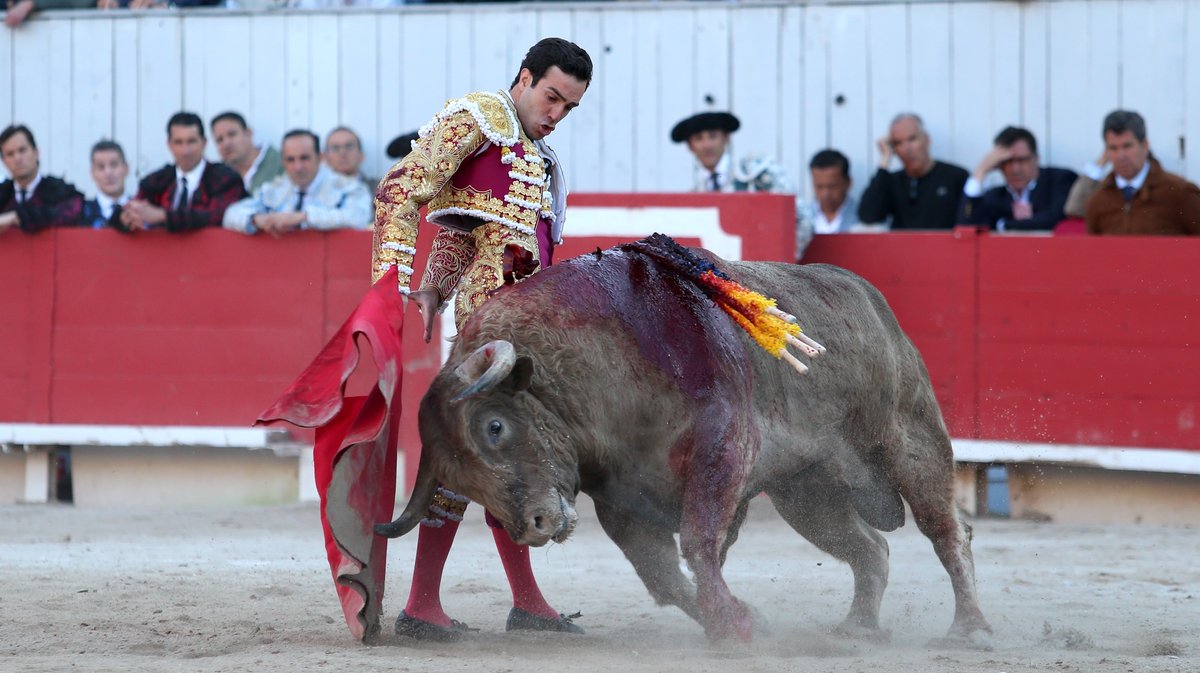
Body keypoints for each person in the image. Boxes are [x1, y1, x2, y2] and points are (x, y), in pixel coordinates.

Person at [258, 37, 593, 643]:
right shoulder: (477, 118)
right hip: (488, 334)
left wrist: (435, 283)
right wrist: (389, 282)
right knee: (482, 458)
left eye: (569, 107)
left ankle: (504, 603)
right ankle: (433, 604)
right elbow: (400, 188)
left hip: (518, 333)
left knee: (500, 460)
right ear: (524, 77)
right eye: (552, 97)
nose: (557, 114)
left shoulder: (535, 154)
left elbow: (467, 229)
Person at [670, 109, 808, 255]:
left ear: (726, 138)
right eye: (699, 139)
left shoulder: (757, 172)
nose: (707, 145)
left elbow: (802, 216)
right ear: (690, 146)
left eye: (713, 136)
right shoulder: (697, 193)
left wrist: (781, 261)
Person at [222, 129, 371, 234]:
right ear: (283, 162)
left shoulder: (347, 187)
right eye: (290, 160)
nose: (298, 167)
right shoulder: (275, 189)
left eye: (304, 158)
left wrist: (302, 217)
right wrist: (256, 219)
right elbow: (230, 214)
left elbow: (358, 217)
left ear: (319, 158)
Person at [118, 112, 247, 233]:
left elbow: (217, 215)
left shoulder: (225, 178)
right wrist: (126, 217)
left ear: (204, 143)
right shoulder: (156, 181)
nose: (185, 151)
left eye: (191, 141)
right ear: (169, 145)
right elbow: (127, 210)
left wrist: (163, 216)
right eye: (178, 142)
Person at [1085, 110, 1200, 236]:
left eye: (1127, 146)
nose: (1120, 156)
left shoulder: (1179, 192)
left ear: (1145, 145)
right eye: (1113, 148)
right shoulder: (1098, 200)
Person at [858, 113, 968, 230]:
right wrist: (885, 160)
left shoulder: (955, 177)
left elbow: (971, 221)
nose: (906, 149)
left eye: (912, 139)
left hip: (944, 242)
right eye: (898, 143)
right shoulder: (891, 181)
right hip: (901, 242)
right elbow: (867, 216)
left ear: (927, 139)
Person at [958, 126, 1077, 232]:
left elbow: (1055, 220)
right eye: (1008, 161)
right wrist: (980, 171)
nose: (1016, 169)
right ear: (998, 164)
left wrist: (1002, 225)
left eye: (1022, 160)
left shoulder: (1060, 180)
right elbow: (967, 229)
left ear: (1036, 158)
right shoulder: (995, 197)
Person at [0, 124, 84, 233]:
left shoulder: (58, 190)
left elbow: (74, 211)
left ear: (36, 153)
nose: (17, 159)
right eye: (10, 154)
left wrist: (16, 217)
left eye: (22, 150)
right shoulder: (3, 194)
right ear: (4, 161)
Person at [211, 111, 283, 195]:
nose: (226, 144)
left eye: (232, 135)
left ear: (248, 133)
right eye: (219, 140)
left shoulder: (281, 164)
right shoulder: (216, 178)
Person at [80, 140, 132, 230]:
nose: (108, 173)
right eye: (101, 167)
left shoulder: (142, 212)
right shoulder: (81, 213)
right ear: (92, 174)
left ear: (126, 168)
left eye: (114, 165)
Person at [324, 126, 376, 191]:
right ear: (325, 158)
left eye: (349, 146)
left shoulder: (382, 190)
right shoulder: (316, 192)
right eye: (336, 148)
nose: (342, 153)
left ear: (361, 155)